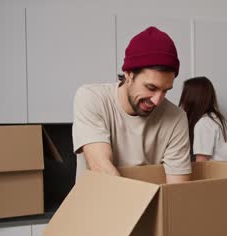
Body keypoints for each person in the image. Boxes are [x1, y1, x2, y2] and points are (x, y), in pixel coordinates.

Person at [72, 26, 191, 184]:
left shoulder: (176, 118)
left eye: (165, 90)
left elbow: (177, 191)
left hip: (152, 206)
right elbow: (101, 168)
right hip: (96, 203)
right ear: (128, 74)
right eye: (151, 88)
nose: (157, 100)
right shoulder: (92, 98)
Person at [178, 76, 227, 162]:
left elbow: (201, 163)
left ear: (190, 98)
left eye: (184, 95)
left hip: (222, 174)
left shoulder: (204, 123)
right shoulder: (217, 119)